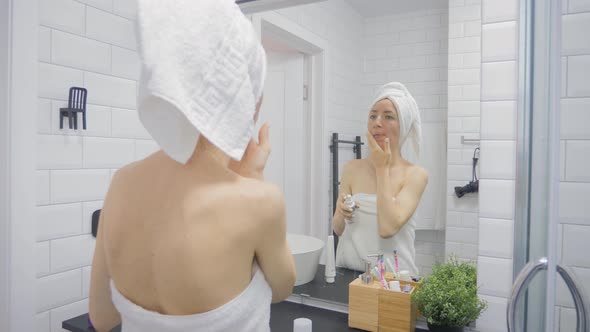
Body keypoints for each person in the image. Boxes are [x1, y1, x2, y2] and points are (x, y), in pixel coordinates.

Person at [88, 1, 296, 331]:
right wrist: (251, 177)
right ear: (246, 98)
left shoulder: (122, 183)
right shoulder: (260, 201)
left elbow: (101, 317)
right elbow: (282, 289)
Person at [333, 82, 428, 276]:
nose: (377, 122)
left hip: (394, 282)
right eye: (372, 115)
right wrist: (341, 212)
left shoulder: (415, 175)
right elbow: (337, 228)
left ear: (404, 126)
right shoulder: (352, 168)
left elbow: (387, 228)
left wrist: (381, 167)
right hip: (349, 277)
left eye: (388, 117)